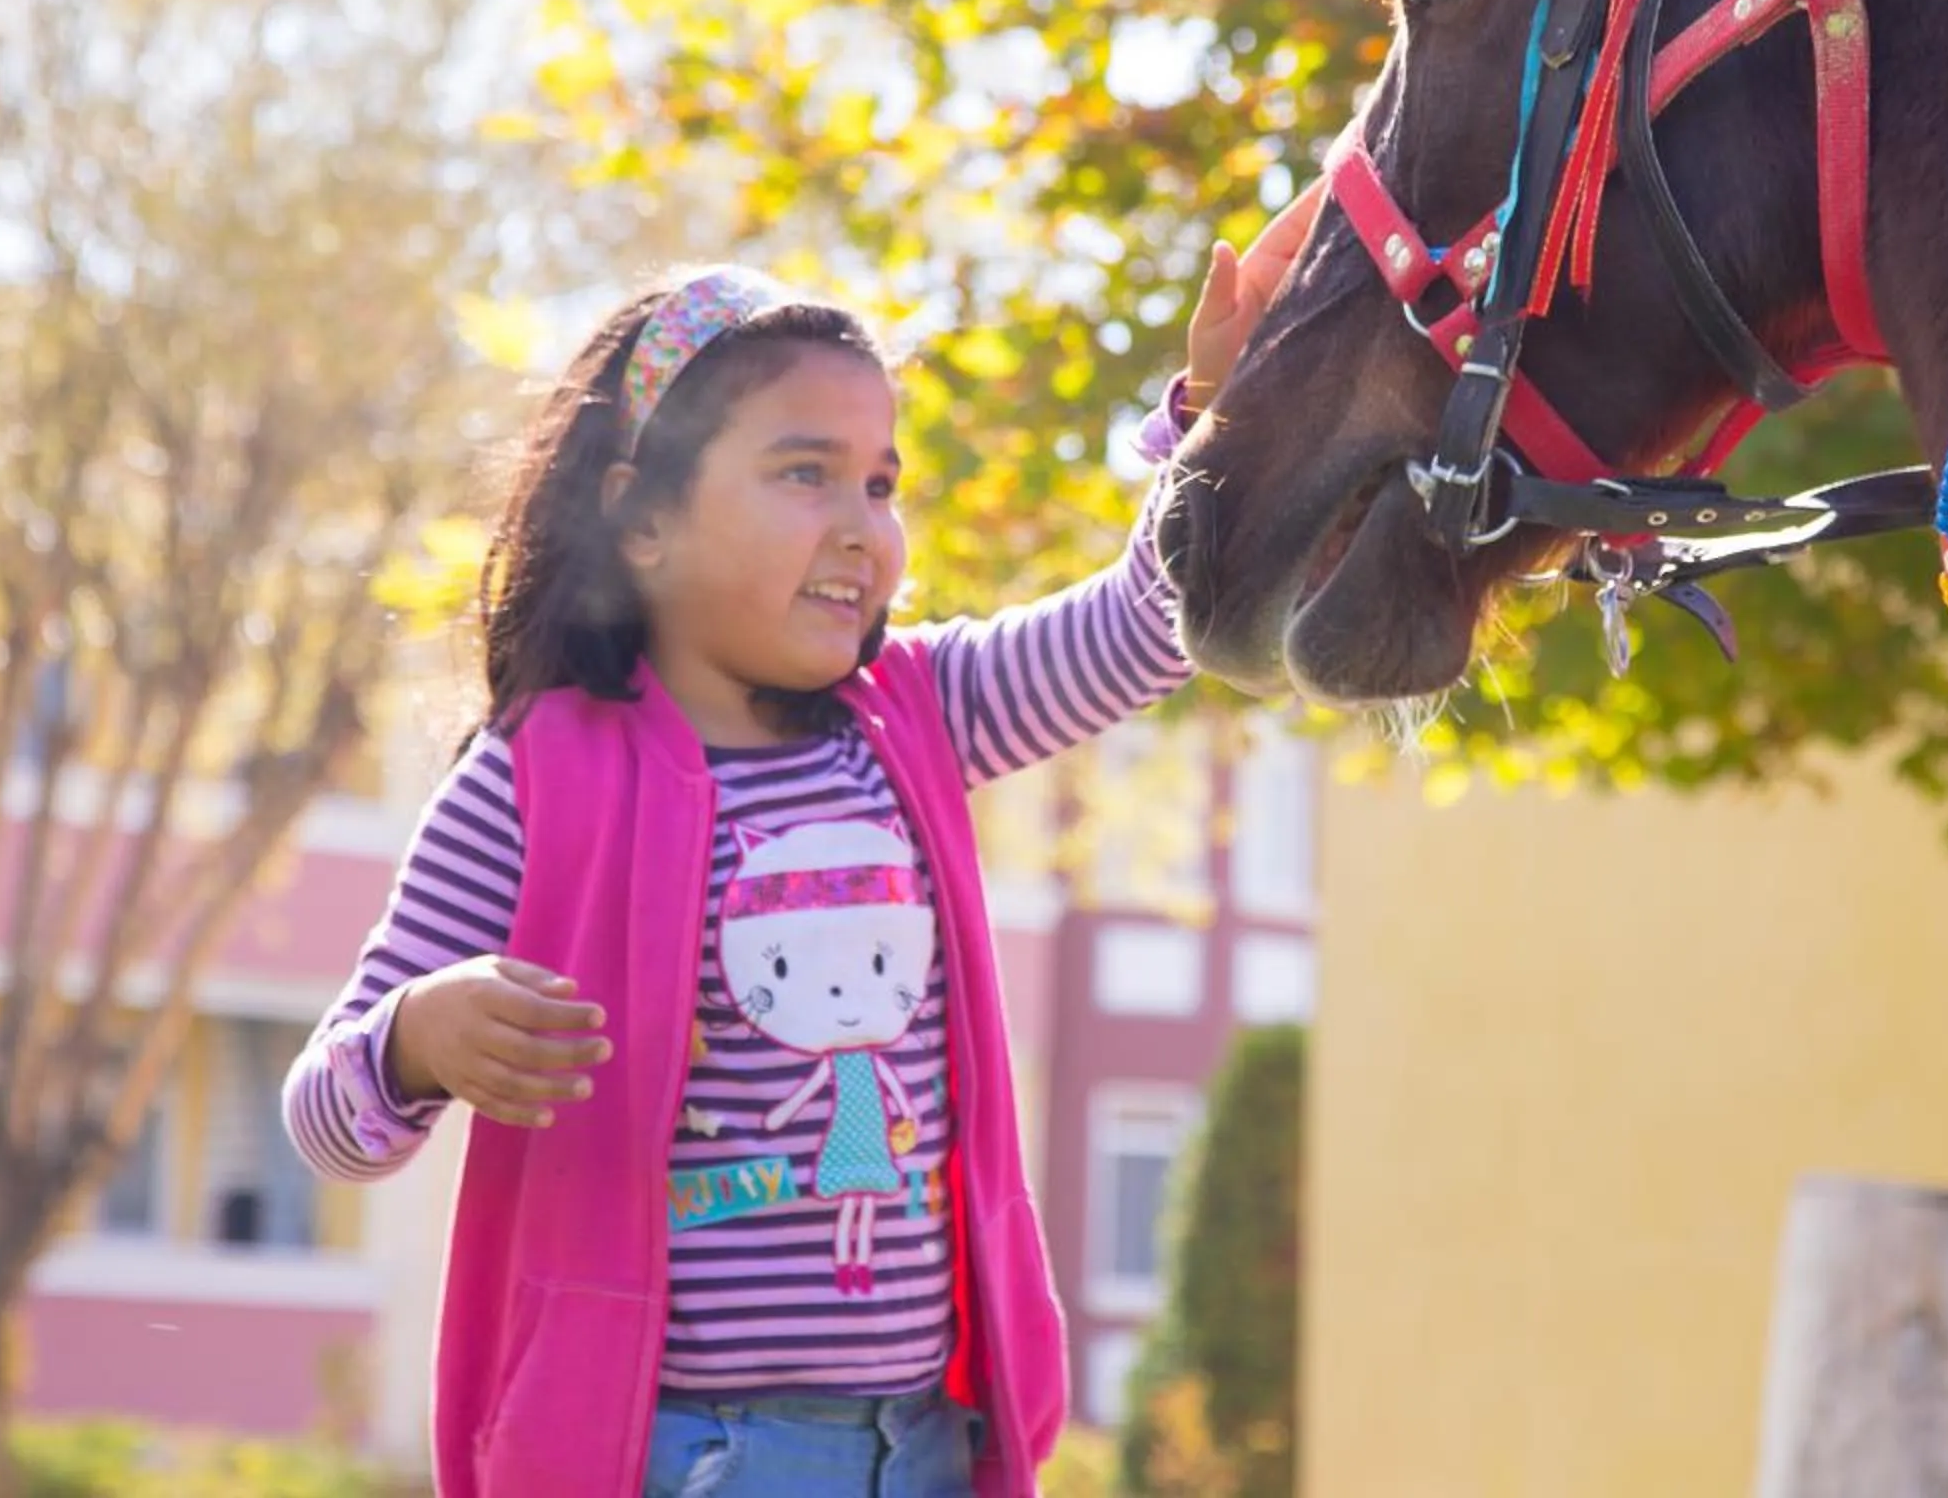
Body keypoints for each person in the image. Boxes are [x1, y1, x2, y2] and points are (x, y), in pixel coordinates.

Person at [283, 186, 1318, 1498]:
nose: (862, 526)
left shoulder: (922, 716)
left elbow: (1141, 624)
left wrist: (1222, 428)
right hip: (684, 1457)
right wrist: (417, 1040)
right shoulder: (534, 785)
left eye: (880, 483)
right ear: (639, 520)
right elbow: (329, 1123)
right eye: (803, 473)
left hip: (926, 1446)